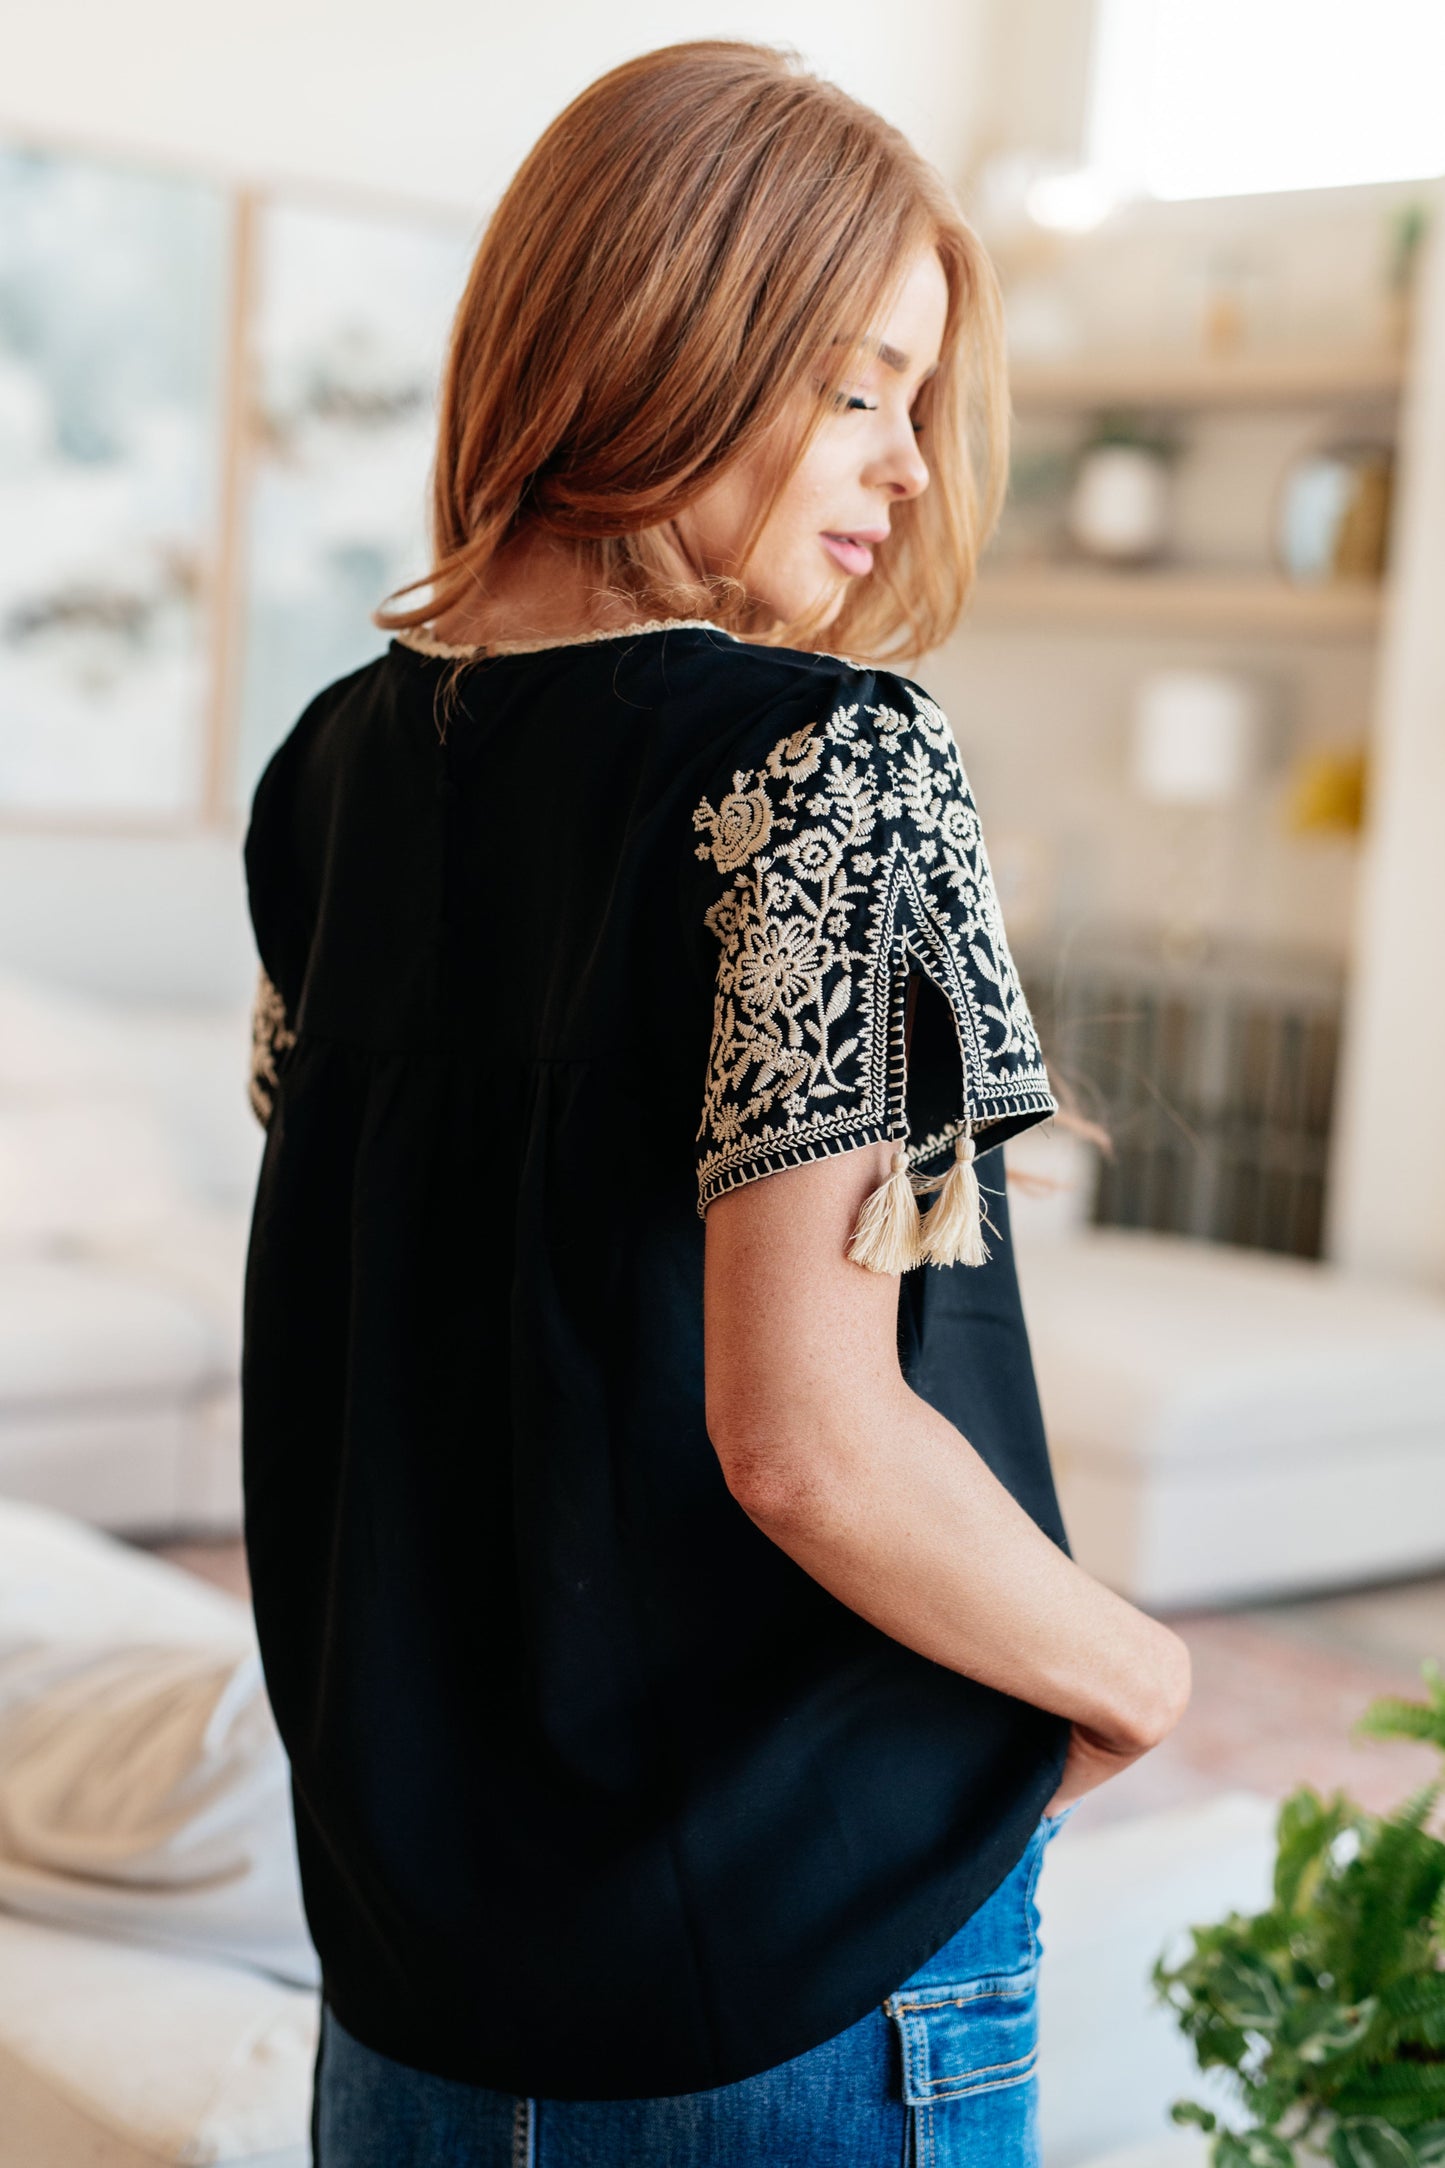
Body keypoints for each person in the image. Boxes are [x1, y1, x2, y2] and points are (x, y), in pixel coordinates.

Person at [241, 38, 1192, 2167]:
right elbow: (807, 1446)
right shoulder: (834, 756)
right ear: (659, 340)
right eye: (857, 390)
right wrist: (1142, 1677)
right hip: (794, 1955)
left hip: (414, 1973)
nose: (913, 470)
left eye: (917, 403)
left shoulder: (330, 770)